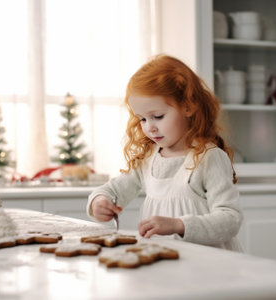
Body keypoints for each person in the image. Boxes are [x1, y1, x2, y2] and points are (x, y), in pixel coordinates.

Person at [86, 54, 243, 251]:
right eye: (142, 119)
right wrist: (99, 202)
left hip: (207, 267)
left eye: (157, 116)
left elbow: (230, 219)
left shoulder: (209, 158)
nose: (149, 127)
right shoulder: (148, 159)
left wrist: (179, 225)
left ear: (188, 106)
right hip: (165, 266)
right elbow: (112, 191)